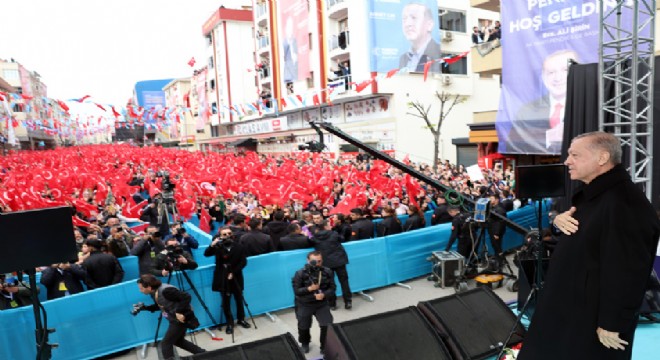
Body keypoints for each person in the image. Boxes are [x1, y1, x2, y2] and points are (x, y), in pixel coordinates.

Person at [518, 132, 660, 359]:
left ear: (602, 158)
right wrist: (557, 224)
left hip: (590, 321)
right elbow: (585, 243)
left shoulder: (625, 202)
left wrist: (612, 322)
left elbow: (628, 270)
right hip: (569, 311)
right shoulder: (594, 196)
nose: (567, 161)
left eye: (575, 155)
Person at [508, 49, 579, 154]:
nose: (558, 78)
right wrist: (547, 138)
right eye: (551, 72)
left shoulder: (592, 106)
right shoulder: (526, 111)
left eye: (565, 70)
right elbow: (513, 146)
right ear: (543, 77)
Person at [136, 274, 206, 360]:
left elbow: (186, 296)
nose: (140, 291)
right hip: (174, 319)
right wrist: (145, 308)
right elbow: (161, 305)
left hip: (179, 320)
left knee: (165, 343)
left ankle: (202, 354)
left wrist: (179, 312)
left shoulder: (166, 291)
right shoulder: (154, 292)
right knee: (178, 340)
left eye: (141, 288)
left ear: (149, 287)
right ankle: (203, 353)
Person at [204, 227, 251, 335]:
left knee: (239, 299)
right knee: (226, 302)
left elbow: (243, 262)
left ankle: (241, 319)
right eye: (224, 234)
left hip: (236, 277)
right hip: (222, 278)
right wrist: (213, 244)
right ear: (220, 236)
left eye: (229, 233)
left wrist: (233, 273)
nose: (227, 235)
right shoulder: (218, 247)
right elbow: (206, 254)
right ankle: (229, 323)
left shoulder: (239, 246)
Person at [292, 251, 335, 354]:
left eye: (319, 261)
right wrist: (309, 289)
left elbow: (332, 288)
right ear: (308, 261)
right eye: (314, 261)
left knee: (327, 324)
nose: (317, 263)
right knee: (303, 326)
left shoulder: (327, 271)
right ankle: (305, 343)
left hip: (321, 303)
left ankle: (324, 346)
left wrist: (324, 295)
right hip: (305, 303)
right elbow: (297, 291)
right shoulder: (300, 273)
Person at [310, 220, 352, 310]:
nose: (330, 226)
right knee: (344, 282)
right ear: (325, 227)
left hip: (326, 263)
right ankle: (348, 301)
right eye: (329, 225)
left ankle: (332, 304)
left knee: (329, 283)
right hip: (339, 261)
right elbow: (342, 238)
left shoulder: (314, 238)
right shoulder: (334, 234)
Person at [398, 1, 441, 73]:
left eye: (414, 18)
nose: (408, 24)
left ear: (429, 25)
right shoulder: (404, 58)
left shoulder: (439, 53)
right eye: (404, 19)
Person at [282, 16, 298, 83]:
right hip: (289, 70)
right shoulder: (284, 42)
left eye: (291, 26)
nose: (290, 28)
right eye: (288, 26)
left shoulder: (295, 40)